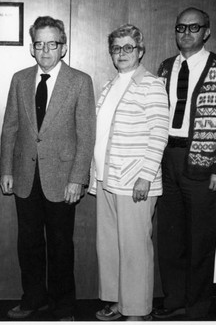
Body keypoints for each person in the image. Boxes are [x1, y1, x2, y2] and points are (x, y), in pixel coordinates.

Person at [0, 15, 96, 321]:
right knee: (28, 244)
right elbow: (10, 128)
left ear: (62, 47)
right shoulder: (19, 79)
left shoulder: (80, 82)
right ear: (32, 47)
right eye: (39, 44)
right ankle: (33, 299)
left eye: (51, 44)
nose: (44, 51)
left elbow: (86, 134)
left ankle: (63, 306)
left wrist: (78, 179)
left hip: (62, 179)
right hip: (25, 178)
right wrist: (6, 170)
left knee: (60, 246)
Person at [153, 7, 216, 320]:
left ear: (206, 32)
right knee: (170, 236)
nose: (186, 33)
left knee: (200, 238)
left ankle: (198, 305)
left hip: (202, 162)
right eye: (180, 27)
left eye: (194, 27)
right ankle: (174, 298)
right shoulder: (165, 67)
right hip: (167, 159)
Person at [89, 24, 168, 322]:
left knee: (135, 248)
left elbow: (159, 133)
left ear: (140, 51)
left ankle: (137, 310)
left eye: (127, 48)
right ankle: (119, 301)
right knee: (109, 246)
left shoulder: (151, 84)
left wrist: (146, 175)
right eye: (116, 48)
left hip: (135, 181)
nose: (121, 53)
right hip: (107, 179)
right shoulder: (110, 85)